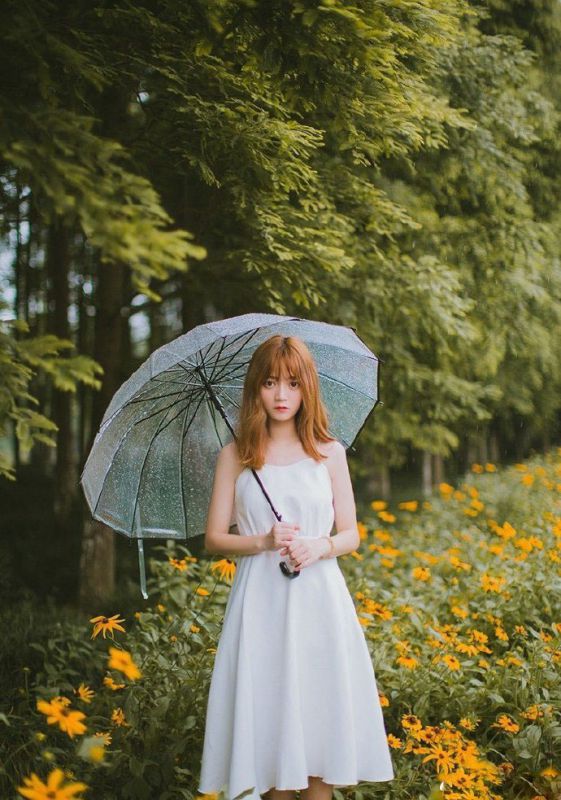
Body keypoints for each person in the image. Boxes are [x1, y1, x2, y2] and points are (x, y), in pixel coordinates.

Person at [197, 334, 394, 800]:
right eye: (269, 383)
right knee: (269, 742)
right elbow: (213, 539)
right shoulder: (235, 456)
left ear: (307, 389)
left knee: (318, 745)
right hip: (260, 605)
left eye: (291, 383)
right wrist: (262, 540)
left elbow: (352, 533)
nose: (281, 395)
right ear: (255, 390)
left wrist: (319, 546)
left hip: (319, 604)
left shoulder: (329, 451)